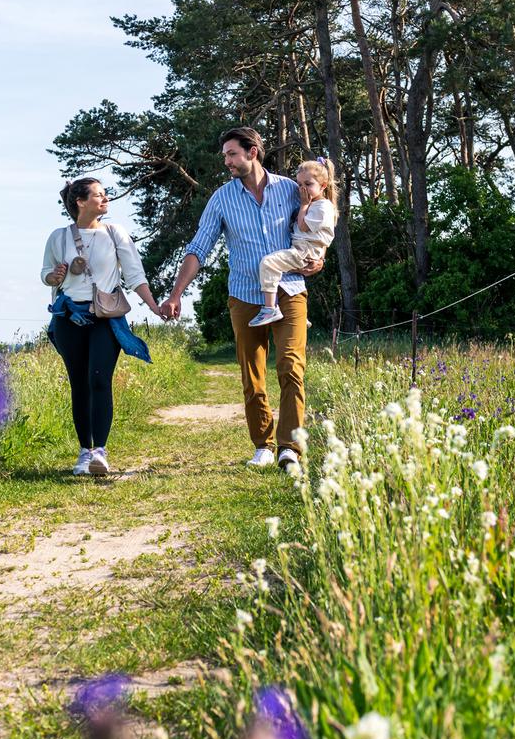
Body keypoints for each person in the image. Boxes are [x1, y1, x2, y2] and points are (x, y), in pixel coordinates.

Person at [160, 127, 324, 476]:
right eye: (224, 155)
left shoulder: (291, 189)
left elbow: (315, 227)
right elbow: (198, 247)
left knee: (292, 368)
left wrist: (319, 259)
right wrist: (176, 293)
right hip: (245, 296)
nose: (227, 161)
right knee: (253, 376)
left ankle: (289, 448)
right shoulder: (222, 198)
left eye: (231, 154)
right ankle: (263, 445)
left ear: (253, 152)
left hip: (291, 289)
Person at [41, 177, 163, 477]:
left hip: (105, 318)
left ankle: (100, 452)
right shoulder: (58, 237)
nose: (106, 199)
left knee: (99, 379)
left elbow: (134, 273)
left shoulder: (114, 232)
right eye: (99, 195)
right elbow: (46, 274)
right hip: (69, 318)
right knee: (79, 384)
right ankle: (85, 451)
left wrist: (155, 306)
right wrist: (55, 277)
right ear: (81, 202)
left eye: (105, 194)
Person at [247, 159, 337, 328]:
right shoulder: (315, 204)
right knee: (278, 270)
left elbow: (303, 226)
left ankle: (269, 308)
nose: (302, 189)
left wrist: (303, 205)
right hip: (302, 250)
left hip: (305, 252)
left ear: (323, 186)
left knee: (268, 263)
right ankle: (299, 316)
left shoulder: (322, 206)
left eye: (308, 184)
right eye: (299, 184)